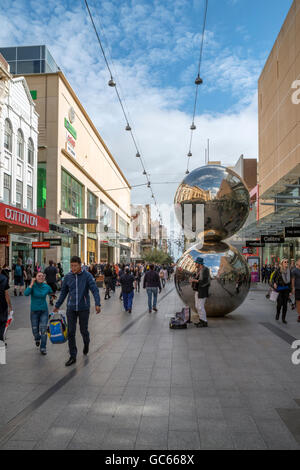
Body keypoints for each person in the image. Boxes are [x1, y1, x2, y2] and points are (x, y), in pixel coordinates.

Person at [53, 256, 101, 366]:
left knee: (83, 330)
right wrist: (57, 305)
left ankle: (86, 342)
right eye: (72, 266)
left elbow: (94, 290)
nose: (73, 268)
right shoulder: (68, 277)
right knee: (70, 332)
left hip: (83, 307)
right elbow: (64, 292)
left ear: (80, 265)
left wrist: (97, 304)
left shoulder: (87, 276)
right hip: (71, 308)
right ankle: (72, 356)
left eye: (75, 266)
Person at [24, 272, 54, 355]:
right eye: (39, 276)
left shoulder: (46, 286)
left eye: (42, 276)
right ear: (35, 277)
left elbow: (51, 293)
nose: (41, 277)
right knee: (35, 330)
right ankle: (37, 339)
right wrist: (31, 283)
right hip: (34, 311)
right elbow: (26, 294)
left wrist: (52, 298)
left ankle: (43, 347)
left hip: (44, 311)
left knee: (43, 330)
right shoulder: (33, 286)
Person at [190, 257, 210, 328]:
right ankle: (201, 320)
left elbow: (203, 281)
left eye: (196, 263)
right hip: (198, 290)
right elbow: (198, 278)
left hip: (202, 291)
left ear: (199, 263)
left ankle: (204, 321)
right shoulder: (199, 270)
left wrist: (194, 280)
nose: (195, 264)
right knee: (197, 306)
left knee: (201, 307)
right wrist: (193, 279)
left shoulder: (205, 270)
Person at [272, 258, 291, 324]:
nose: (286, 263)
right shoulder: (278, 270)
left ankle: (283, 318)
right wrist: (274, 283)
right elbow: (273, 278)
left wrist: (290, 291)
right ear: (282, 263)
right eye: (285, 262)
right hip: (279, 289)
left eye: (287, 262)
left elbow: (290, 282)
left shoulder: (289, 271)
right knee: (279, 304)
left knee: (285, 305)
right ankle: (278, 313)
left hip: (286, 289)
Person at [0, 269, 12, 345]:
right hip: (2, 305)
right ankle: (1, 341)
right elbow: (6, 294)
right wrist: (10, 306)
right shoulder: (4, 278)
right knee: (2, 323)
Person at [291, 258, 300, 323]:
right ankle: (299, 315)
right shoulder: (294, 270)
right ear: (297, 262)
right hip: (297, 289)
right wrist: (293, 288)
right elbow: (293, 280)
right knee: (298, 303)